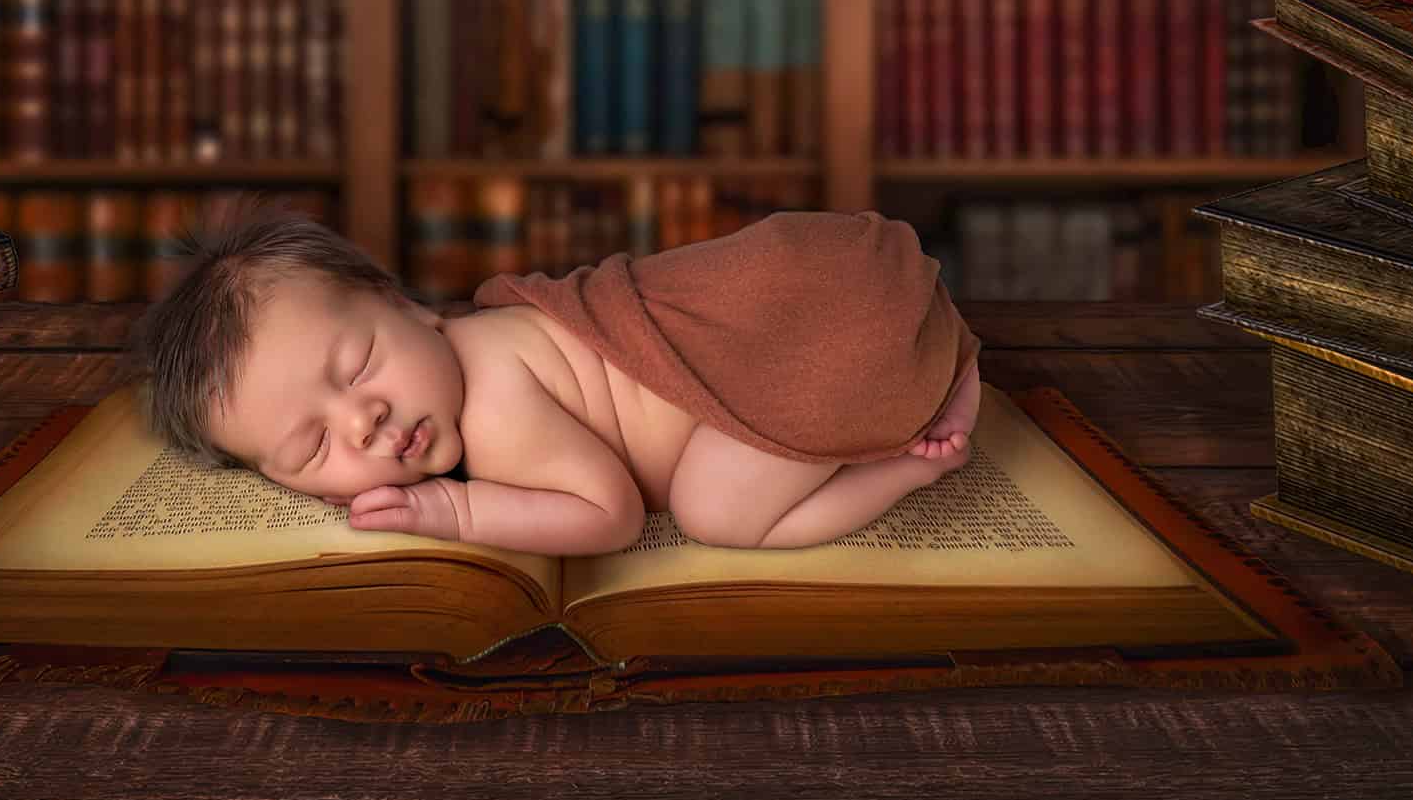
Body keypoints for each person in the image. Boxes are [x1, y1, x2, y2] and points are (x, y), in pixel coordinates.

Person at [126, 193, 982, 557]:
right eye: (314, 446)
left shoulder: (492, 389)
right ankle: (932, 351)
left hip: (816, 324)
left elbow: (608, 515)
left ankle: (907, 454)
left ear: (411, 306)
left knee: (718, 512)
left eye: (359, 364)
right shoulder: (480, 342)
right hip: (830, 283)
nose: (367, 419)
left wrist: (454, 509)